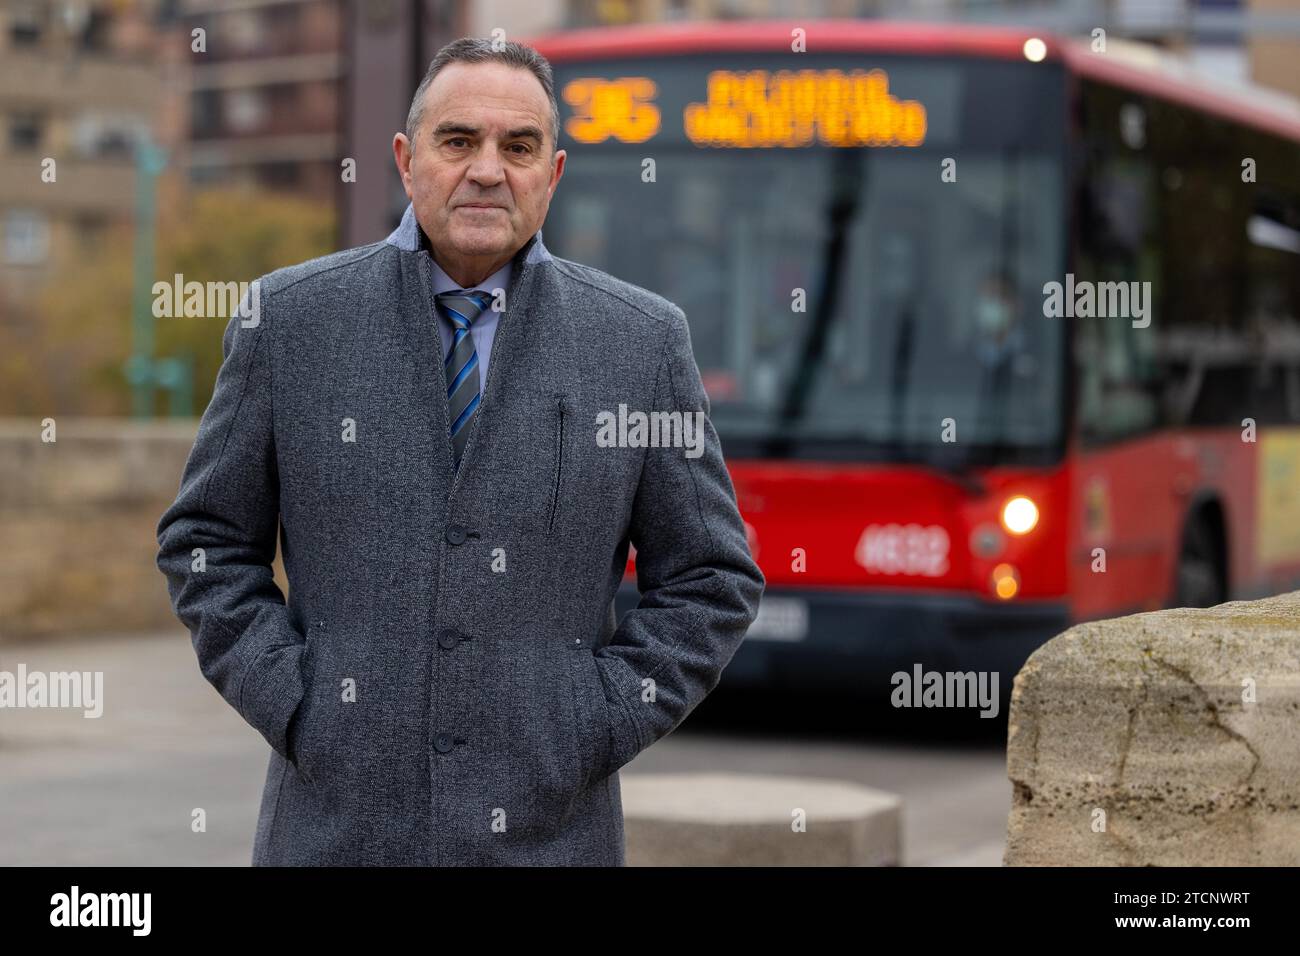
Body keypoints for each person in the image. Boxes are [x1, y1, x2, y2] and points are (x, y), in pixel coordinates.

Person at [155, 37, 764, 866]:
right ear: (408, 162)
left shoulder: (640, 343)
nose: (487, 170)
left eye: (518, 148)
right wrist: (296, 705)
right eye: (458, 141)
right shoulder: (291, 322)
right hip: (334, 838)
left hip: (553, 842)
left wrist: (596, 720)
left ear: (552, 175)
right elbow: (205, 544)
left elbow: (710, 578)